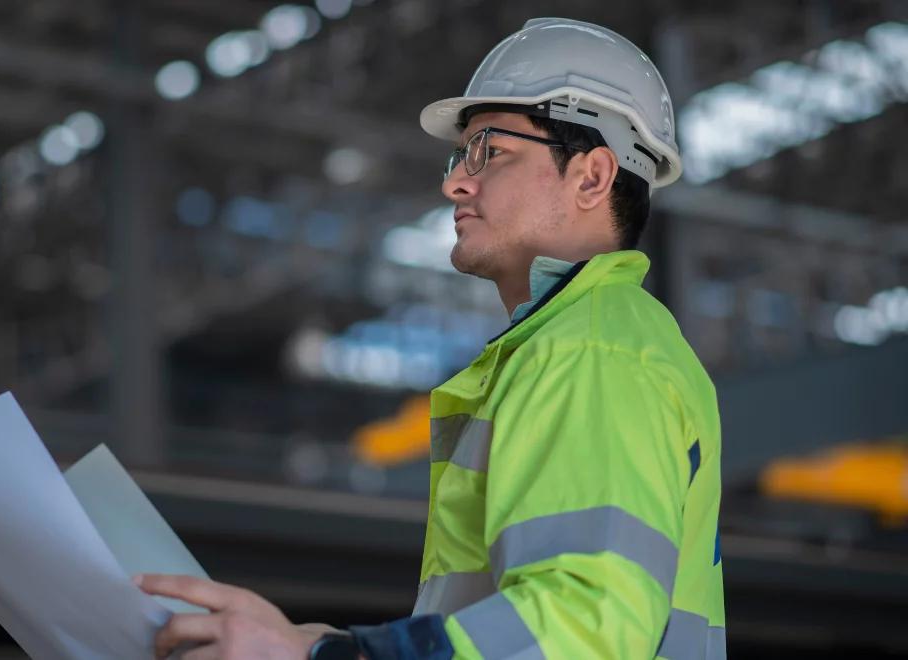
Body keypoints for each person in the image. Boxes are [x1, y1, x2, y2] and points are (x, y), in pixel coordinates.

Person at [135, 17, 725, 659]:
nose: (454, 183)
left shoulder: (589, 349)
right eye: (459, 155)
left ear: (590, 177)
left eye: (489, 151)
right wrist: (325, 643)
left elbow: (583, 626)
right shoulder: (593, 341)